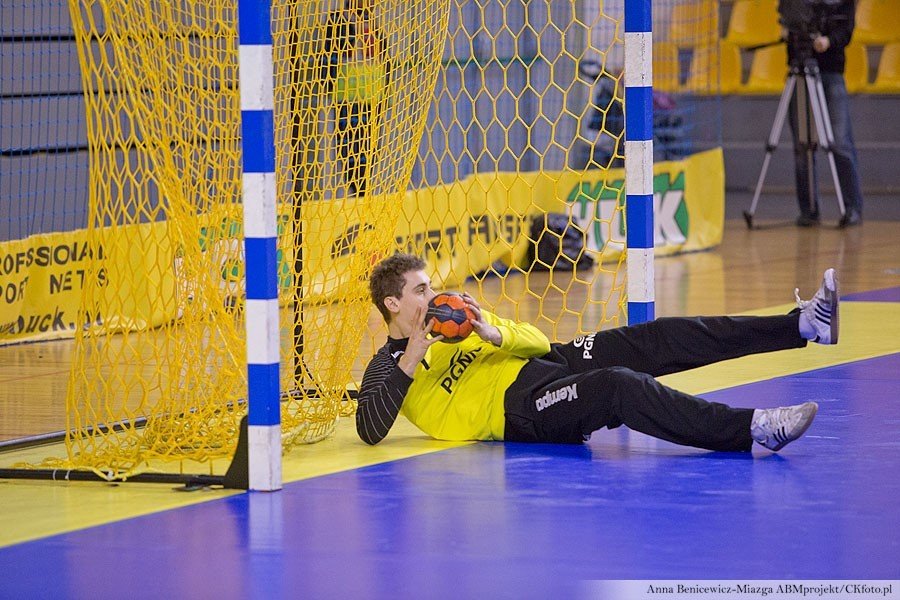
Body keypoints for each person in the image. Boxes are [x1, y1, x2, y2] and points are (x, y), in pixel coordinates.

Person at [357, 253, 839, 452]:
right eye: (420, 290)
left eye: (430, 285)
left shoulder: (458, 325)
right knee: (619, 387)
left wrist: (493, 332)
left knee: (657, 337)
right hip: (523, 408)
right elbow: (369, 429)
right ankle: (755, 428)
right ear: (393, 304)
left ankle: (803, 325)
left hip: (550, 361)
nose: (433, 295)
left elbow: (538, 343)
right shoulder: (386, 366)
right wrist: (411, 356)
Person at [782, 0, 863, 228]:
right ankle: (808, 211)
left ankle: (852, 207)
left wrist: (828, 41)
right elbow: (789, 20)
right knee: (802, 145)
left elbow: (845, 31)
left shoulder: (842, 3)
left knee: (840, 143)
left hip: (830, 73)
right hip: (799, 71)